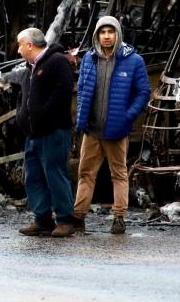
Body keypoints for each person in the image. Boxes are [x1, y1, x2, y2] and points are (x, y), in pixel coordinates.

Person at [74, 16, 150, 234]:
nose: (107, 36)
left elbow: (143, 92)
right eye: (102, 32)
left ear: (118, 34)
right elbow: (81, 89)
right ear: (97, 35)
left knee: (119, 173)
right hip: (92, 129)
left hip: (117, 129)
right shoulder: (89, 59)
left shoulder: (133, 60)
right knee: (85, 174)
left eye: (111, 32)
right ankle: (78, 217)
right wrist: (82, 116)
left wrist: (128, 116)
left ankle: (119, 217)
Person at [15, 28, 76, 237]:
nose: (18, 50)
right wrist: (21, 116)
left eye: (20, 44)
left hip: (54, 130)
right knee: (34, 175)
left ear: (30, 45)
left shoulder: (57, 61)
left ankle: (66, 220)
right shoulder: (29, 68)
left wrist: (42, 115)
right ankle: (42, 219)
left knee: (55, 174)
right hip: (33, 133)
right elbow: (23, 98)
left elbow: (63, 93)